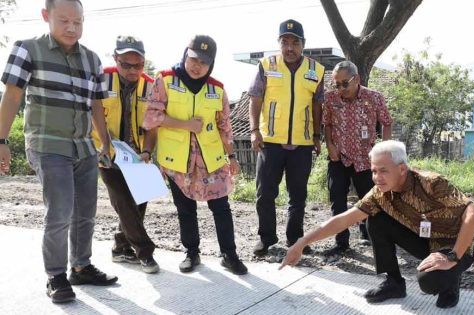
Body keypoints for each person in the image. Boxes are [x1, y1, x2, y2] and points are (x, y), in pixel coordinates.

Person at [0, 0, 117, 304]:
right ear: (46, 17)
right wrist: (1, 141)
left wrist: (105, 141)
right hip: (47, 144)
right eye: (63, 20)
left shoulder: (92, 60)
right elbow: (12, 97)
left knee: (86, 212)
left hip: (84, 146)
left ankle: (81, 265)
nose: (71, 27)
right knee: (60, 211)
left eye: (77, 22)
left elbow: (96, 105)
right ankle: (55, 275)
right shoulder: (27, 49)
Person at [280, 140, 474, 309]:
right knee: (376, 219)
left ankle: (450, 282)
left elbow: (473, 214)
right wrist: (302, 242)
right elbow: (343, 219)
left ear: (402, 169)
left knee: (429, 281)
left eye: (383, 171)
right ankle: (393, 282)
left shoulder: (432, 183)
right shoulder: (379, 193)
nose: (377, 177)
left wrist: (453, 257)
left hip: (457, 246)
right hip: (425, 241)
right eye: (374, 171)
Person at [142, 34, 248, 275]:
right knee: (185, 208)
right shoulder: (166, 80)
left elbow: (225, 127)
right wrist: (185, 124)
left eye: (203, 62)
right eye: (193, 59)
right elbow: (151, 117)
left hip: (211, 159)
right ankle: (192, 252)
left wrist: (231, 157)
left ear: (211, 64)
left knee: (221, 207)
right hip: (177, 160)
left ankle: (229, 255)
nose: (197, 66)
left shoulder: (217, 89)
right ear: (185, 55)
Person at [248, 19, 325, 256]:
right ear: (279, 43)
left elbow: (317, 104)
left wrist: (316, 135)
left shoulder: (316, 70)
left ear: (303, 44)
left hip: (301, 143)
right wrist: (254, 131)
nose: (289, 47)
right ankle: (267, 238)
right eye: (285, 42)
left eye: (295, 42)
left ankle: (296, 239)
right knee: (265, 194)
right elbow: (255, 98)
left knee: (298, 195)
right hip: (270, 140)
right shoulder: (267, 65)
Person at [92, 36, 159, 274]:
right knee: (123, 202)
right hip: (106, 153)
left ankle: (120, 247)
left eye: (138, 65)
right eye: (126, 64)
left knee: (140, 201)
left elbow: (152, 125)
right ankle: (145, 253)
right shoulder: (101, 78)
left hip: (137, 155)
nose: (132, 70)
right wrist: (102, 146)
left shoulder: (151, 86)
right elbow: (91, 111)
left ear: (144, 62)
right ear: (115, 59)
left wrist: (147, 151)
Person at [323, 60, 392, 254]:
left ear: (357, 79)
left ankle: (370, 236)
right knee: (337, 200)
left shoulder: (374, 98)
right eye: (337, 84)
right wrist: (330, 145)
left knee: (368, 199)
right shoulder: (330, 99)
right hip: (339, 157)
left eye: (345, 83)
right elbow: (327, 124)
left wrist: (384, 149)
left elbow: (386, 122)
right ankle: (341, 243)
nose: (341, 89)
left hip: (365, 159)